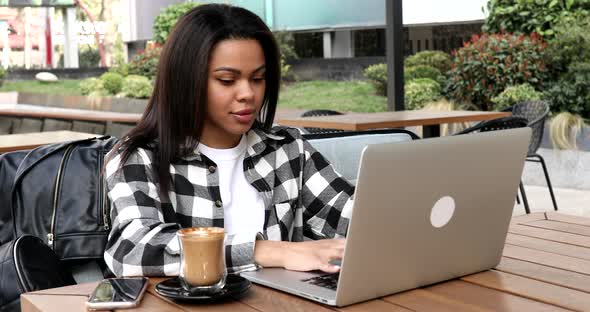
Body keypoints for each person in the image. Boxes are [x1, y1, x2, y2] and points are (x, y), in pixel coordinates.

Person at [104, 3, 353, 278]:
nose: (248, 93)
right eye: (226, 80)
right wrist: (272, 251)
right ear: (186, 80)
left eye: (258, 78)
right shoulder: (139, 157)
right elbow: (131, 250)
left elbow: (350, 217)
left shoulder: (288, 149)